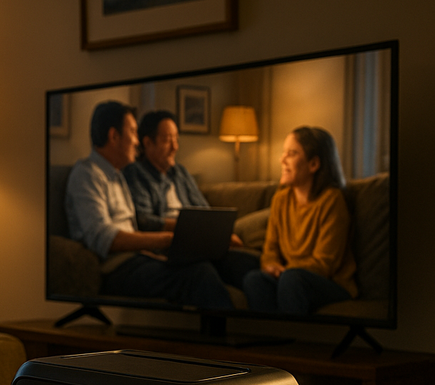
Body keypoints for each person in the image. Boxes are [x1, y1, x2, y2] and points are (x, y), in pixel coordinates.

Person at [64, 100, 234, 310]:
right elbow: (103, 238)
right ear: (114, 136)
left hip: (140, 258)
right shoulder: (87, 174)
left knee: (220, 263)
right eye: (133, 132)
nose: (137, 142)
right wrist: (166, 240)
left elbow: (131, 228)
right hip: (118, 269)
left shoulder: (116, 175)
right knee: (199, 274)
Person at [123, 109, 259, 288]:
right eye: (167, 140)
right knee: (203, 271)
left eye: (176, 139)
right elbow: (145, 220)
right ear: (147, 143)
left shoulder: (180, 173)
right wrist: (186, 225)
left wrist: (220, 234)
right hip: (168, 246)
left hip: (201, 242)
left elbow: (204, 211)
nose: (175, 147)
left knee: (250, 264)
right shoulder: (136, 173)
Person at [243, 126, 357, 314]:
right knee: (254, 279)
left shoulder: (332, 200)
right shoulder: (280, 199)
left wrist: (285, 271)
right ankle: (268, 338)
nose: (282, 160)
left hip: (330, 282)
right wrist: (271, 266)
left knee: (292, 280)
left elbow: (325, 263)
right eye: (283, 153)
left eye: (292, 153)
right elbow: (270, 249)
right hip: (288, 275)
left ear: (313, 164)